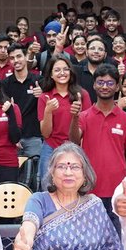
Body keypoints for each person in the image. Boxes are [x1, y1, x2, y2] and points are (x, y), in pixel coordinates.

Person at [71, 63, 126, 210]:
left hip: (118, 189)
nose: (105, 87)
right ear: (94, 85)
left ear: (117, 86)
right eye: (100, 82)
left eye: (110, 83)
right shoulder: (83, 116)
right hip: (89, 187)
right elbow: (74, 141)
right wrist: (74, 118)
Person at [37, 54, 84, 182]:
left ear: (71, 72)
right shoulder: (45, 97)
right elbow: (45, 133)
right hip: (51, 147)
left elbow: (86, 129)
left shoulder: (81, 95)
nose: (62, 73)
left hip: (75, 148)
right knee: (47, 184)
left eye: (65, 69)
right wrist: (48, 111)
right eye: (57, 70)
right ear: (51, 75)